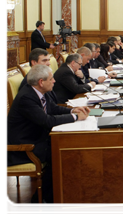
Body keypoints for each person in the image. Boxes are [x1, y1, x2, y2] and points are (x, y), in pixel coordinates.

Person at [6, 65, 90, 210]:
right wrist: (75, 117)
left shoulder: (39, 92)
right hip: (21, 147)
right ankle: (44, 199)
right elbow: (47, 121)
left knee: (63, 148)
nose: (54, 81)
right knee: (59, 153)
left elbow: (53, 108)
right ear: (41, 82)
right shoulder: (27, 97)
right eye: (51, 79)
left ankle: (58, 193)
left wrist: (72, 110)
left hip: (35, 138)